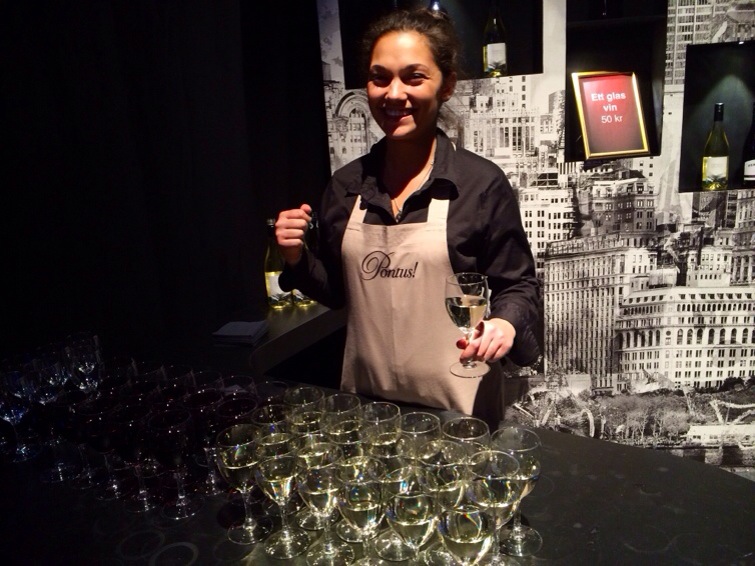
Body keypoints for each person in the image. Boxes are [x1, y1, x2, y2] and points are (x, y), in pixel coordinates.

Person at [275, 7, 540, 426]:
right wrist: (296, 258)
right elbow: (339, 292)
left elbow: (518, 284)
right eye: (380, 78)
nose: (393, 94)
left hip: (460, 409)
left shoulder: (480, 185)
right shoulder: (345, 186)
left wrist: (505, 325)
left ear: (446, 85)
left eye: (413, 77)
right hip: (369, 411)